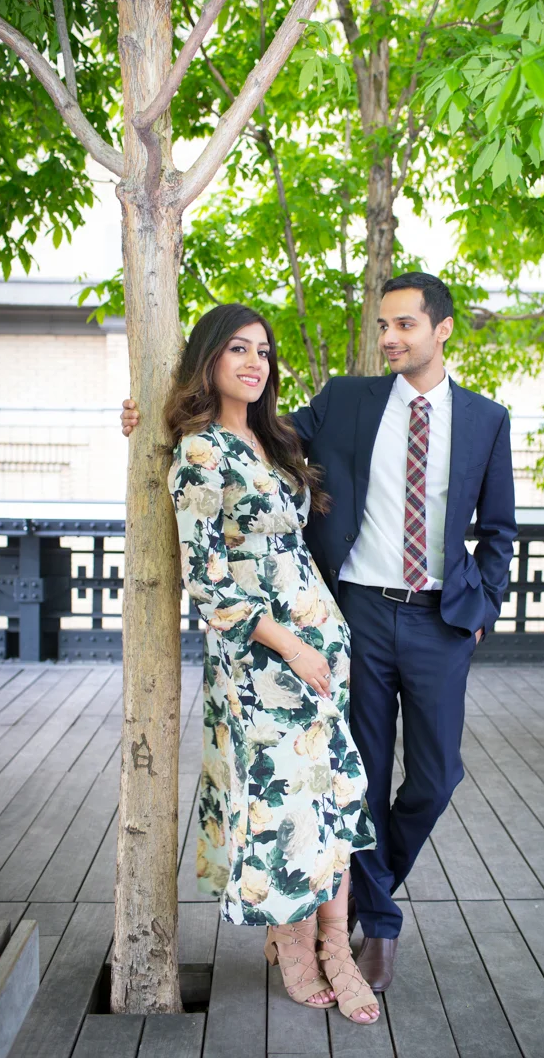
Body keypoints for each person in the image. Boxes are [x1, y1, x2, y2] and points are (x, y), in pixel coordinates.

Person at [122, 271, 517, 993]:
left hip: (439, 619)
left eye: (405, 325)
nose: (390, 337)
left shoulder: (487, 420)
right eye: (383, 325)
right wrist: (144, 416)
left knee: (435, 778)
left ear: (442, 329)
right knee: (351, 780)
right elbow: (238, 428)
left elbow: (499, 529)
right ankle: (371, 927)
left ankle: (356, 897)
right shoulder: (344, 401)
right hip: (354, 614)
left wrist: (484, 604)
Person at [163, 303, 380, 1024]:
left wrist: (319, 644)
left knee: (332, 794)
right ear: (208, 360)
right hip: (263, 663)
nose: (254, 362)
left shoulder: (274, 438)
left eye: (262, 351)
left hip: (321, 650)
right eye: (237, 349)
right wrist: (290, 645)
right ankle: (295, 950)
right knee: (288, 802)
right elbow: (206, 580)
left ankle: (335, 946)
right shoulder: (200, 452)